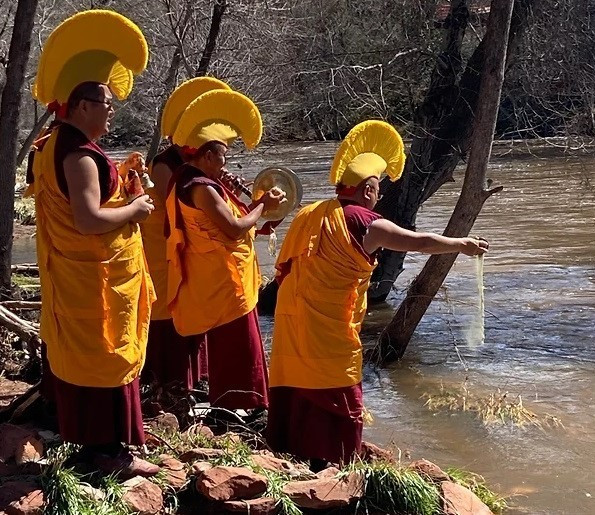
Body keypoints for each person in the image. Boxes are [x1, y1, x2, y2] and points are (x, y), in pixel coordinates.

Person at [266, 120, 489, 470]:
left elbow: (284, 268)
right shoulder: (367, 223)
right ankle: (336, 458)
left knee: (298, 377)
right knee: (337, 385)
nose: (380, 196)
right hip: (331, 324)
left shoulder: (309, 214)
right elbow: (420, 242)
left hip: (293, 317)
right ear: (368, 189)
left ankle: (293, 450)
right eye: (377, 189)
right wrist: (461, 244)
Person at [31, 11, 158, 476]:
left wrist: (123, 181)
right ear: (82, 105)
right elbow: (87, 220)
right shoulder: (80, 155)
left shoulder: (53, 144)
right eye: (106, 102)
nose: (111, 110)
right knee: (105, 356)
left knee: (85, 358)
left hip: (76, 276)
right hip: (95, 282)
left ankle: (92, 446)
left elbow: (79, 203)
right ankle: (107, 454)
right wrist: (135, 209)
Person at [166, 89, 285, 416]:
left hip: (218, 274)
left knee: (234, 343)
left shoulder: (193, 179)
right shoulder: (200, 187)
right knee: (239, 343)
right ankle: (239, 406)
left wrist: (260, 210)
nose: (225, 165)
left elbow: (236, 221)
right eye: (222, 158)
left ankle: (234, 404)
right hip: (223, 279)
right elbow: (233, 228)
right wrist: (262, 206)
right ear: (206, 156)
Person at [140, 77, 231, 404]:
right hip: (164, 249)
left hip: (191, 251)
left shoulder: (198, 164)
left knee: (195, 310)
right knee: (168, 311)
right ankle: (166, 384)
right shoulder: (164, 164)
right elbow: (180, 207)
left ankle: (196, 382)